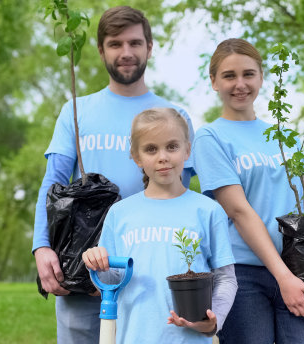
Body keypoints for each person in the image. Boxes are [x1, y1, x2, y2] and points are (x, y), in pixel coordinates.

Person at [31, 7, 194, 344]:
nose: (126, 53)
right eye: (115, 44)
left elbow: (183, 195)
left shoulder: (173, 116)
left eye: (135, 43)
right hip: (82, 265)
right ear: (101, 50)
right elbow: (53, 182)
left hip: (151, 268)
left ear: (150, 47)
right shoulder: (76, 111)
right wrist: (42, 247)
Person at [192, 38, 304, 344]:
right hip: (244, 274)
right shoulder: (210, 137)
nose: (240, 84)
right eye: (229, 76)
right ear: (214, 81)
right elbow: (239, 211)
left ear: (261, 77)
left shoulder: (287, 138)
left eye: (248, 74)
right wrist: (282, 277)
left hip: (303, 266)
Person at [82, 108, 237, 344]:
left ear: (187, 150)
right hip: (133, 337)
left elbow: (226, 278)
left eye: (172, 147)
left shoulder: (208, 210)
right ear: (136, 156)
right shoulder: (120, 213)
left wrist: (214, 321)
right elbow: (111, 280)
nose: (162, 157)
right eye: (151, 149)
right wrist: (97, 262)